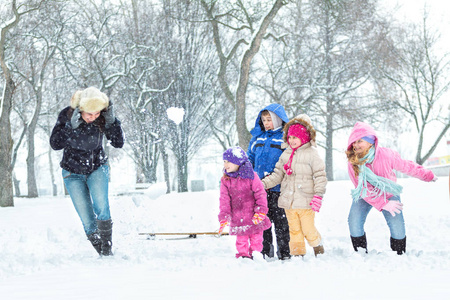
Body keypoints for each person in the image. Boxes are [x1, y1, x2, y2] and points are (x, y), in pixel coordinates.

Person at [50, 87, 124, 256]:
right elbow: (55, 144)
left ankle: (107, 250)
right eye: (89, 114)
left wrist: (112, 123)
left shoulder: (103, 117)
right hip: (72, 173)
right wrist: (70, 127)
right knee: (87, 218)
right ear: (81, 109)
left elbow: (118, 142)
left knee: (102, 207)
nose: (93, 118)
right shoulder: (67, 115)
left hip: (97, 167)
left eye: (96, 114)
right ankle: (101, 252)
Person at [346, 122, 437, 255]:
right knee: (353, 220)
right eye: (354, 141)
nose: (355, 144)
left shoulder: (386, 155)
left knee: (397, 225)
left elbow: (407, 166)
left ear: (370, 142)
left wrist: (426, 175)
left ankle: (398, 254)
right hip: (365, 192)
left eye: (360, 141)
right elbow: (363, 187)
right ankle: (360, 253)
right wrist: (383, 204)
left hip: (388, 192)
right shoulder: (353, 161)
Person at [262, 114, 327, 257]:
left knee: (308, 229)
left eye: (295, 137)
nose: (291, 140)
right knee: (294, 230)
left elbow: (320, 176)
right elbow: (277, 174)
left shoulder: (312, 154)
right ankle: (298, 254)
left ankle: (317, 246)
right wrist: (263, 184)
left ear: (304, 137)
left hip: (306, 201)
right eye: (289, 137)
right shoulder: (286, 154)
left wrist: (318, 195)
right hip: (288, 202)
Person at [247, 104, 291, 260]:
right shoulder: (257, 138)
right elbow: (249, 159)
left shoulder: (285, 138)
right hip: (260, 189)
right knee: (262, 222)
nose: (266, 123)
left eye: (269, 120)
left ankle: (285, 252)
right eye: (264, 120)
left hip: (279, 189)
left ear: (279, 120)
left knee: (281, 223)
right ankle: (265, 251)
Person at [218, 146, 272, 259]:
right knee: (241, 240)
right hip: (238, 217)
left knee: (256, 239)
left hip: (254, 216)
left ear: (238, 162)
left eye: (229, 161)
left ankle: (256, 255)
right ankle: (243, 256)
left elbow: (260, 194)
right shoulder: (225, 180)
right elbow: (224, 200)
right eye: (224, 161)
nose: (225, 164)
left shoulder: (251, 176)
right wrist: (224, 216)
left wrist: (261, 211)